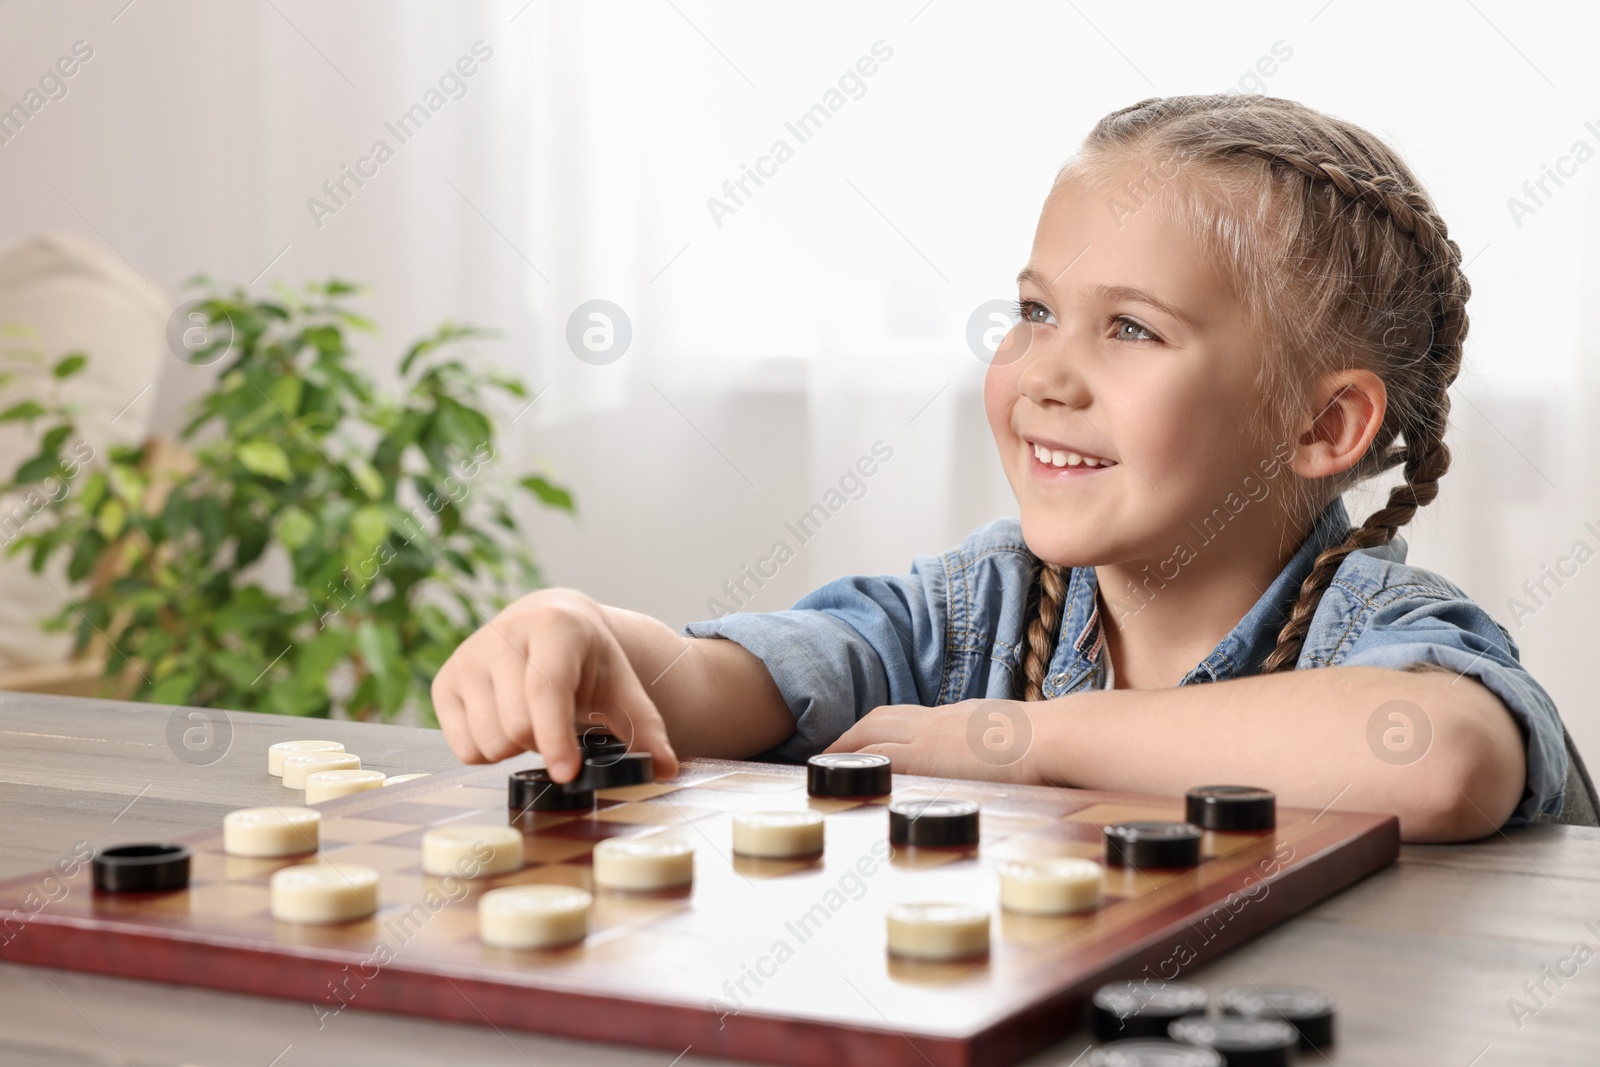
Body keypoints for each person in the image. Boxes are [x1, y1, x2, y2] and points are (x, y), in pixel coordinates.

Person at [432, 94, 1567, 843]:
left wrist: (1011, 740)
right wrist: (580, 632)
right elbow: (716, 686)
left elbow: (1440, 757)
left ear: (1324, 427)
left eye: (1129, 329)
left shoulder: (1374, 625)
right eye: (1033, 310)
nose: (1044, 374)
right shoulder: (975, 613)